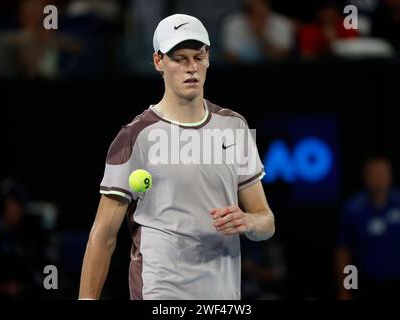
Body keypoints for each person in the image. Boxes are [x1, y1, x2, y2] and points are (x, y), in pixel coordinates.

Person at [79, 13, 275, 300]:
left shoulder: (234, 126)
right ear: (159, 62)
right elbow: (104, 234)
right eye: (179, 59)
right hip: (160, 292)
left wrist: (248, 222)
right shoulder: (135, 136)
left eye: (198, 57)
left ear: (208, 58)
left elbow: (266, 221)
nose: (191, 68)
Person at [335, 156, 400, 299]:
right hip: (367, 282)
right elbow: (344, 253)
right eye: (374, 175)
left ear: (390, 175)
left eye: (383, 174)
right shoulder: (352, 210)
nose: (379, 180)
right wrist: (346, 288)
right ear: (365, 177)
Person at [220, 0, 294, 63]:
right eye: (253, 12)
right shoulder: (232, 23)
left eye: (261, 14)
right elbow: (230, 57)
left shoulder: (283, 23)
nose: (257, 17)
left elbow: (281, 57)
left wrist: (260, 36)